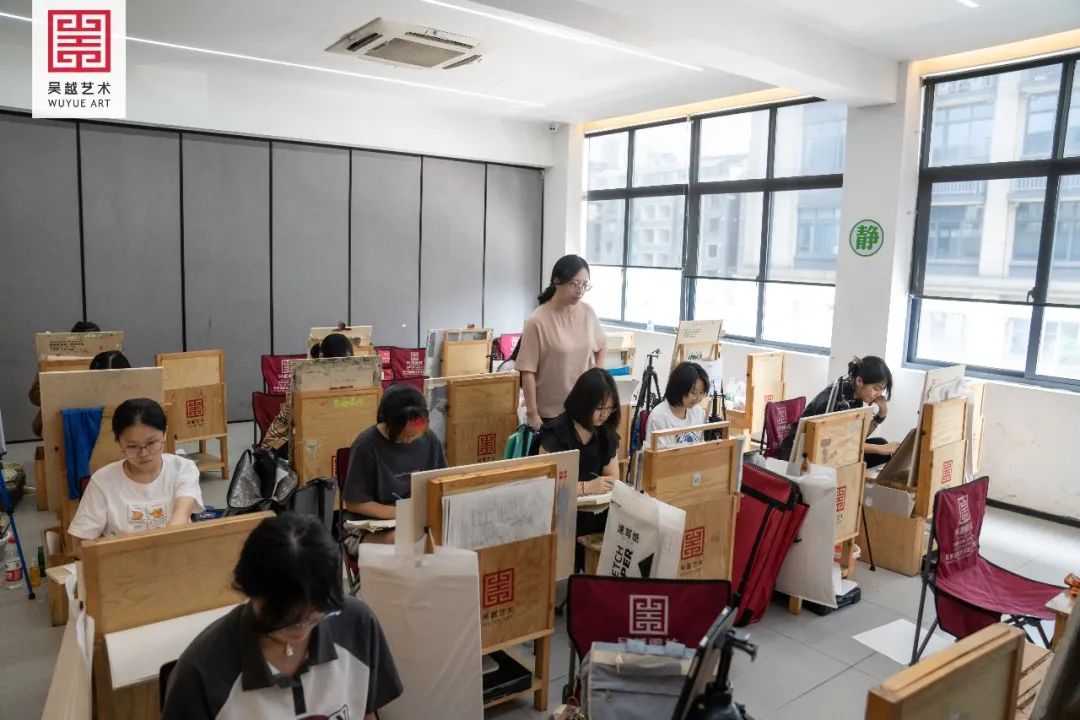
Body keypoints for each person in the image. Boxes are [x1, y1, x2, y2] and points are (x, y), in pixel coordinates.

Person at [162, 513, 403, 720]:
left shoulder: (355, 623)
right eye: (283, 618)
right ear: (249, 589)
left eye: (313, 615)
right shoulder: (202, 668)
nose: (300, 627)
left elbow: (367, 712)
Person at [68, 398, 204, 548]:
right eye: (132, 446)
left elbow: (181, 517)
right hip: (121, 559)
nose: (143, 453)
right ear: (118, 442)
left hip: (173, 552)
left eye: (151, 443)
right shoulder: (102, 481)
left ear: (165, 433)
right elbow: (81, 542)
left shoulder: (183, 469)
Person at [342, 384, 447, 545]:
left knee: (444, 532)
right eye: (404, 434)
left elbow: (443, 485)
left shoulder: (429, 440)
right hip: (372, 526)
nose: (410, 439)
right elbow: (354, 503)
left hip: (418, 518)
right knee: (404, 540)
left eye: (415, 433)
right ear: (388, 423)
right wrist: (402, 513)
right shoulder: (367, 445)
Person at [538, 368, 620, 571]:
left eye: (610, 409)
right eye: (600, 408)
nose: (604, 415)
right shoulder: (555, 434)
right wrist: (587, 487)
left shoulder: (605, 433)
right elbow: (547, 487)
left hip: (595, 514)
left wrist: (599, 486)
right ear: (584, 403)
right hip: (561, 516)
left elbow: (613, 478)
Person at [516, 254, 607, 430]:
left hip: (584, 406)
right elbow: (527, 371)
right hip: (550, 413)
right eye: (574, 284)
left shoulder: (588, 313)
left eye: (584, 285)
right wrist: (532, 413)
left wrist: (598, 375)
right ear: (557, 281)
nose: (580, 290)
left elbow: (601, 346)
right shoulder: (537, 321)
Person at [779, 355, 897, 467]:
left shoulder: (855, 395)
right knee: (880, 449)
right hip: (800, 456)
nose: (878, 394)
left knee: (880, 443)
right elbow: (838, 443)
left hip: (827, 450)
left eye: (881, 390)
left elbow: (856, 437)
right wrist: (880, 449)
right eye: (876, 389)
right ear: (859, 381)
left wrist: (881, 415)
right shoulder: (838, 400)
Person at [260, 332, 354, 457]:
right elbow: (306, 424)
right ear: (322, 358)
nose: (343, 371)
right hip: (280, 445)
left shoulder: (344, 381)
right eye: (338, 366)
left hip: (313, 440)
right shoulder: (303, 381)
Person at [29, 320, 102, 437]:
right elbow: (34, 395)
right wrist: (60, 387)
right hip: (62, 417)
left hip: (95, 417)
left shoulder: (106, 360)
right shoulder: (54, 362)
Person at [645, 361, 710, 449]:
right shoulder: (659, 417)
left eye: (701, 393)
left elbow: (700, 446)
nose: (697, 398)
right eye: (693, 392)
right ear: (678, 388)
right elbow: (659, 455)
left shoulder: (698, 412)